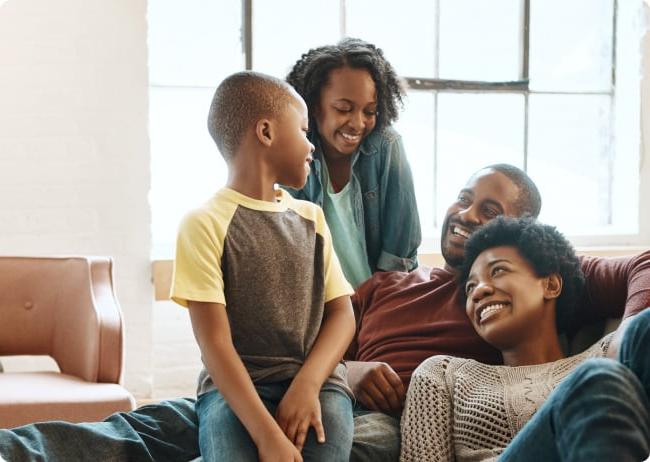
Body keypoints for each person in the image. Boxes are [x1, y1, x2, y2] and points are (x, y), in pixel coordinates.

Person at [2, 164, 649, 462]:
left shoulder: (524, 282)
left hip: (382, 424)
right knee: (161, 424)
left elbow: (642, 271)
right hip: (309, 387)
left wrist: (617, 345)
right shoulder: (386, 285)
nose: (467, 216)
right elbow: (307, 340)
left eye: (491, 211)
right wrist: (350, 369)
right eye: (463, 199)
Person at [170, 71, 356, 461]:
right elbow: (215, 345)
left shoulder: (312, 219)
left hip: (319, 384)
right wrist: (267, 435)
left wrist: (307, 386)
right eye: (304, 131)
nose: (312, 146)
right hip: (234, 393)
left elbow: (343, 316)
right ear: (267, 132)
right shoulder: (203, 223)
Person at [400, 217, 650, 461]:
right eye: (470, 287)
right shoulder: (444, 374)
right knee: (595, 380)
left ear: (551, 285)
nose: (479, 291)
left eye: (498, 270)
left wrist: (623, 335)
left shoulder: (607, 355)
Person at [284, 38, 421, 287]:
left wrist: (374, 315)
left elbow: (400, 258)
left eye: (369, 111)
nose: (358, 123)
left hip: (381, 305)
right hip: (317, 310)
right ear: (314, 106)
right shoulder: (294, 151)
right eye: (344, 109)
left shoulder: (387, 147)